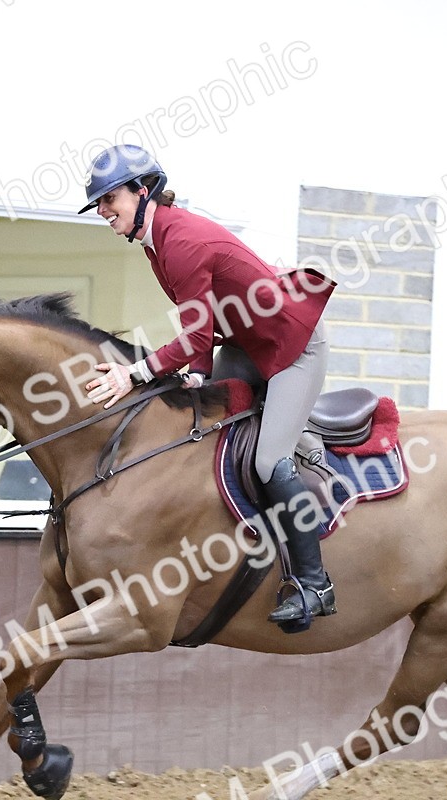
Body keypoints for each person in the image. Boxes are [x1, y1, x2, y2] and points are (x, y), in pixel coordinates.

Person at [80, 144, 338, 629]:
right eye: (98, 203)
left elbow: (195, 334)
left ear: (143, 190)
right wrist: (196, 372)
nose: (102, 211)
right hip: (245, 345)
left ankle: (314, 582)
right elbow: (198, 327)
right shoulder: (157, 244)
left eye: (109, 198)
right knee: (204, 429)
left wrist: (133, 373)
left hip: (292, 348)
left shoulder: (180, 242)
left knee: (266, 460)